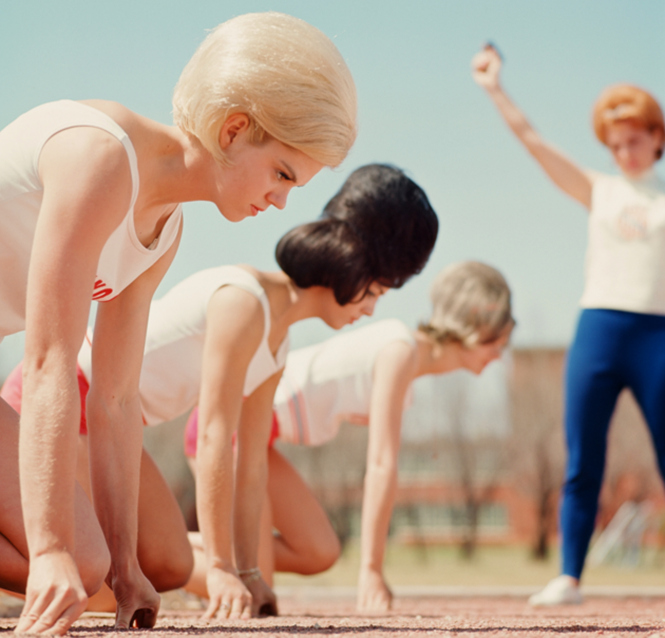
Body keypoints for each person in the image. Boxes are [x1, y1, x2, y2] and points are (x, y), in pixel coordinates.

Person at [0, 12, 356, 633]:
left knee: (120, 566)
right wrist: (50, 548)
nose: (281, 202)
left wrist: (125, 568)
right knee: (71, 561)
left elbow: (113, 398)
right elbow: (49, 359)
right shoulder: (100, 156)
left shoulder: (164, 232)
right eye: (282, 174)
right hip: (40, 366)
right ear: (235, 128)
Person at [4, 164, 438, 619]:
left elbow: (248, 461)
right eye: (376, 293)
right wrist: (219, 566)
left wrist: (248, 572)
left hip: (106, 423)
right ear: (350, 266)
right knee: (100, 585)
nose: (372, 310)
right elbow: (211, 436)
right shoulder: (244, 300)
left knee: (170, 566)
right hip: (62, 402)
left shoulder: (279, 342)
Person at [185, 260, 513, 612]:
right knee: (253, 594)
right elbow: (382, 464)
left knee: (319, 552)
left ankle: (198, 546)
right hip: (231, 427)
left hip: (258, 441)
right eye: (497, 341)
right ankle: (162, 551)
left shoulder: (405, 368)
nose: (499, 354)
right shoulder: (399, 349)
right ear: (475, 326)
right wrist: (371, 571)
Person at [472, 44, 665, 606]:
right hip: (599, 331)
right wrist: (493, 86)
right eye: (614, 144)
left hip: (657, 335)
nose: (624, 152)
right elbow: (533, 141)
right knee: (584, 458)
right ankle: (570, 577)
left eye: (634, 140)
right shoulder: (598, 189)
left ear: (657, 138)